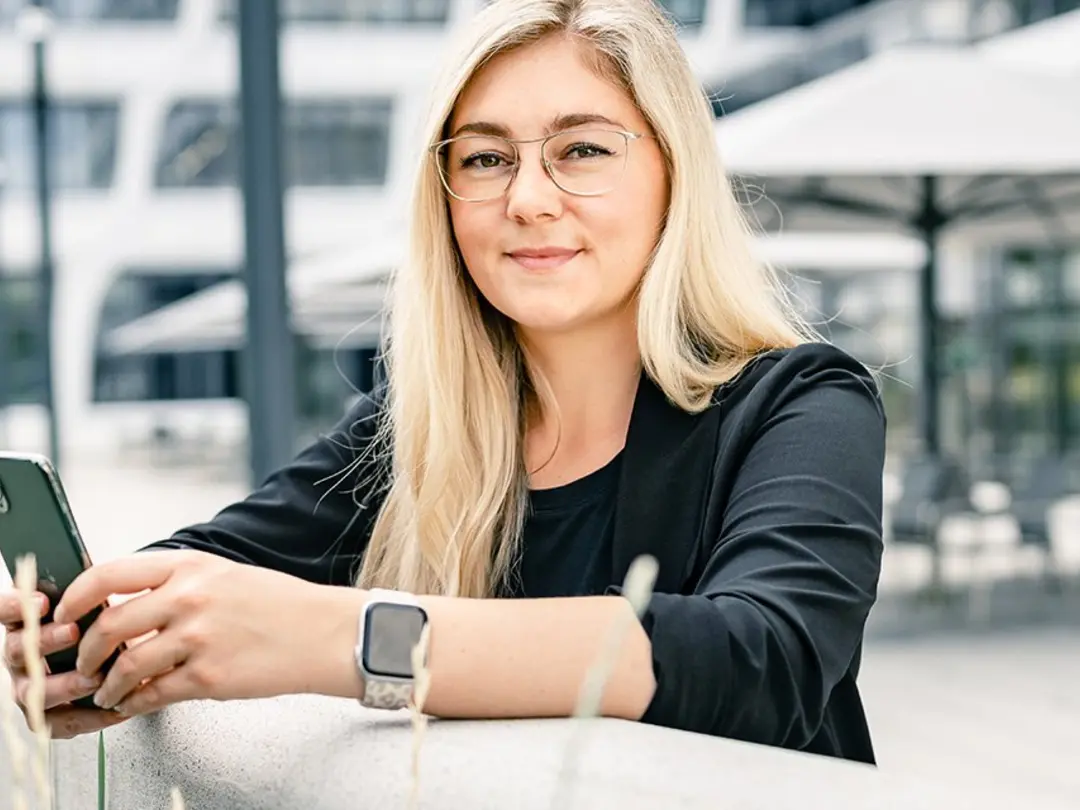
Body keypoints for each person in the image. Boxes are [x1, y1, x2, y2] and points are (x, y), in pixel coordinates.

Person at [1, 0, 886, 764]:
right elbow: (207, 572)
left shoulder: (801, 404)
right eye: (485, 159)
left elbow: (763, 659)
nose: (530, 199)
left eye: (581, 150)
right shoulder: (414, 435)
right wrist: (76, 632)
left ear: (672, 175)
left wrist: (343, 638)